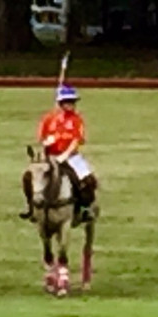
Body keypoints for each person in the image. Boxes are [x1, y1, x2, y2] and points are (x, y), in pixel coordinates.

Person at [20, 85, 97, 222]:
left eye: (72, 102)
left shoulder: (76, 120)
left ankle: (85, 208)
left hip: (71, 156)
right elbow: (42, 138)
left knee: (88, 180)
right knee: (28, 176)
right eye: (67, 102)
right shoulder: (49, 119)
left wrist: (65, 155)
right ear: (61, 103)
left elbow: (76, 141)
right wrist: (46, 142)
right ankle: (31, 206)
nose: (71, 105)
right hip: (50, 156)